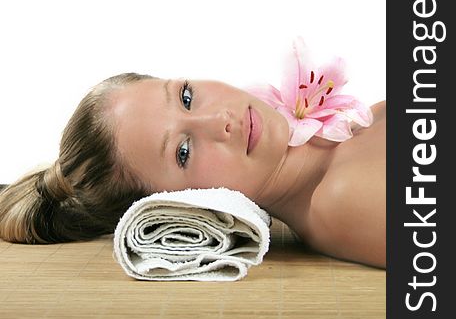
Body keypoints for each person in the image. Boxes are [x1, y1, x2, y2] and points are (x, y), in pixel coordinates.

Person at [0, 73, 385, 268]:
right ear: (185, 206)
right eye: (183, 151)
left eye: (187, 96)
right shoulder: (341, 198)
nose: (220, 119)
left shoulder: (345, 134)